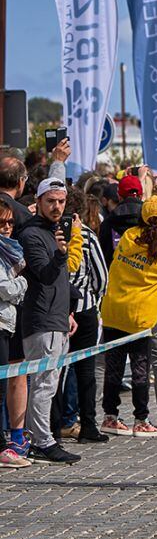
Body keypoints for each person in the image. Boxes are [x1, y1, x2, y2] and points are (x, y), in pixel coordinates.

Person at [99, 196, 157, 438]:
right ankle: (141, 420)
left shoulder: (127, 237)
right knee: (140, 369)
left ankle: (110, 417)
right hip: (139, 318)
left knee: (113, 368)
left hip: (113, 311)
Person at [19, 178, 80, 464]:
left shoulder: (56, 232)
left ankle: (40, 437)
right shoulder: (31, 234)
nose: (57, 207)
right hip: (40, 319)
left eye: (61, 201)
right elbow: (43, 274)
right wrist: (59, 254)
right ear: (39, 201)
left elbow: (59, 281)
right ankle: (40, 440)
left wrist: (67, 311)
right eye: (51, 201)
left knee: (50, 383)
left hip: (57, 318)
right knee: (43, 383)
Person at [58, 188, 110, 444]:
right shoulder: (87, 236)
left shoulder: (51, 233)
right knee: (85, 370)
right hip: (85, 307)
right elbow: (101, 276)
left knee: (56, 370)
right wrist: (95, 298)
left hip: (57, 309)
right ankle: (88, 423)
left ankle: (57, 423)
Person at [0, 199, 30, 468]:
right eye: (2, 223)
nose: (8, 227)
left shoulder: (11, 248)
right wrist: (22, 282)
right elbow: (6, 289)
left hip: (7, 322)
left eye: (11, 222)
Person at [99, 173, 144, 265]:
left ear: (119, 196)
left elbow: (103, 256)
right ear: (141, 196)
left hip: (116, 275)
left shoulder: (108, 222)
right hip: (146, 276)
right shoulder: (151, 220)